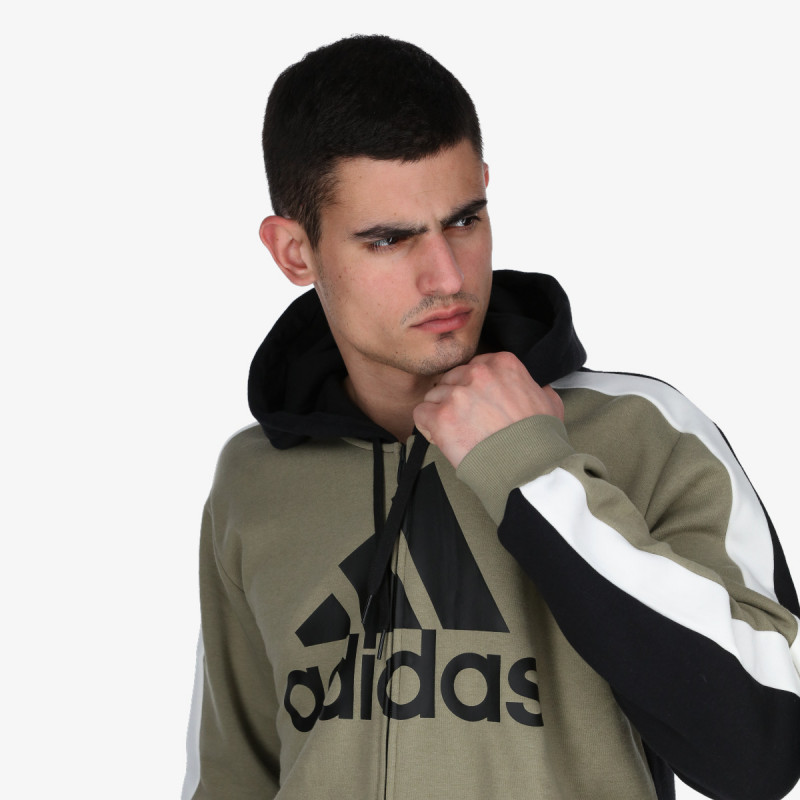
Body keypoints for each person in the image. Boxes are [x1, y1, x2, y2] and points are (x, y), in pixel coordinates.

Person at [182, 35, 800, 800]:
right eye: (389, 239)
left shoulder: (641, 432)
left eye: (464, 220)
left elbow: (762, 749)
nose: (446, 276)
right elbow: (231, 777)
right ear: (294, 252)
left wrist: (533, 469)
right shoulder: (256, 480)